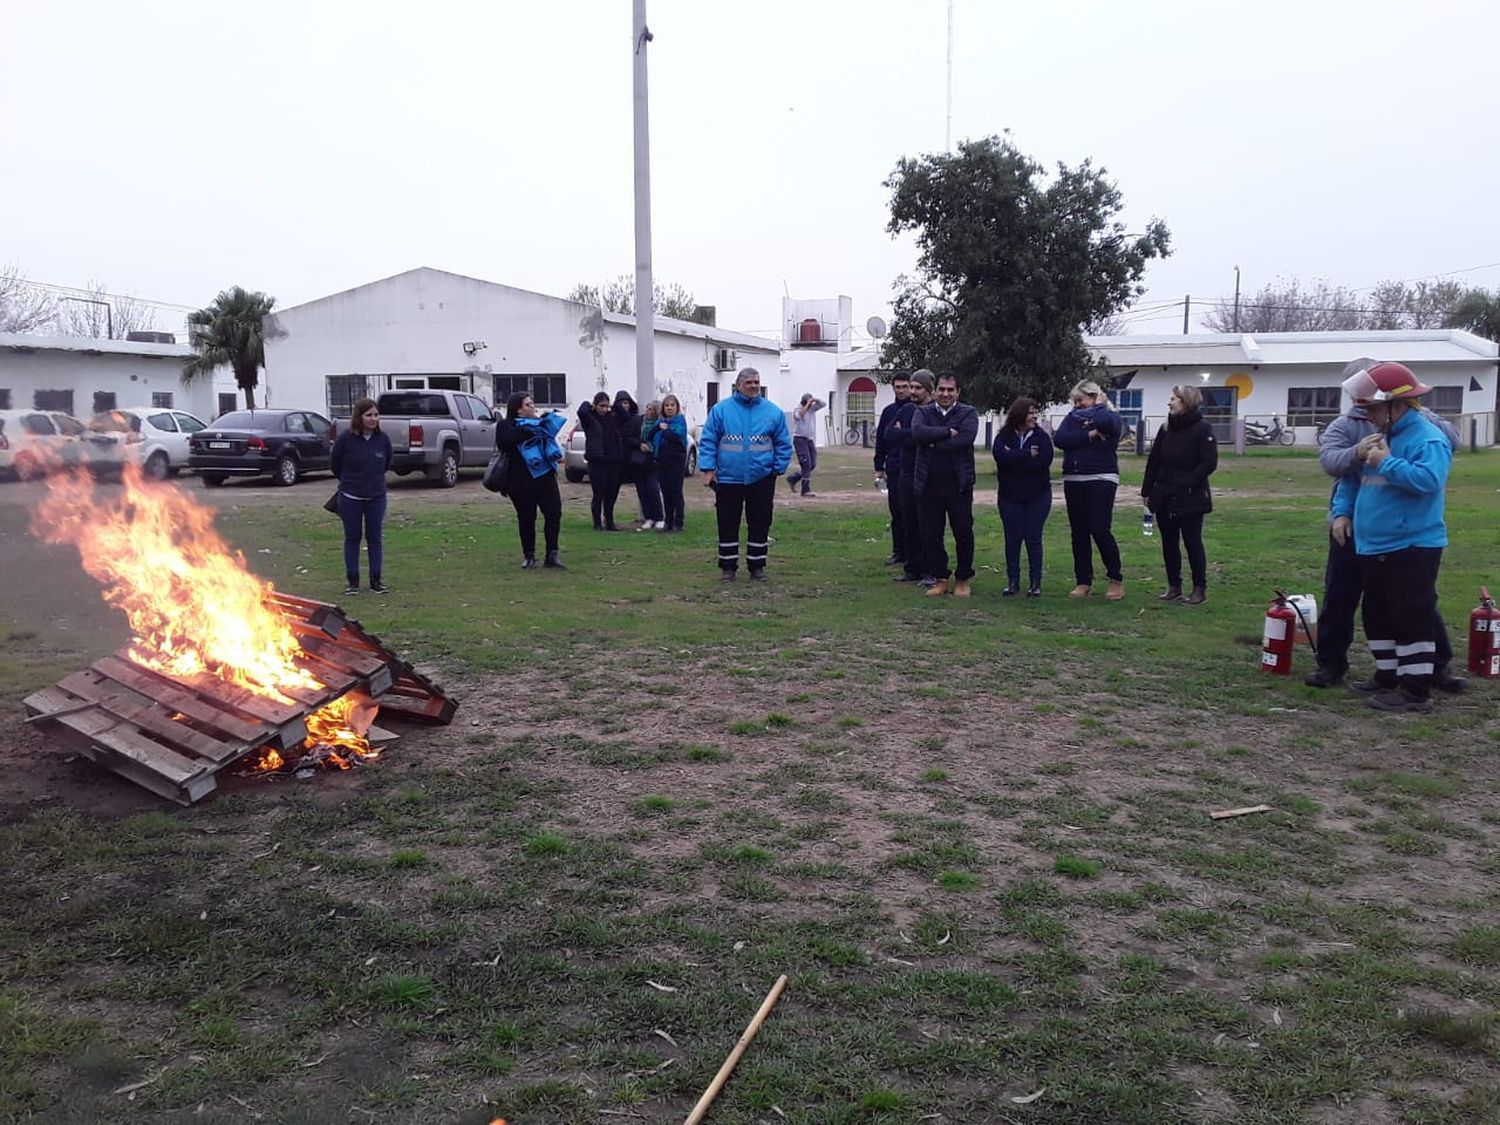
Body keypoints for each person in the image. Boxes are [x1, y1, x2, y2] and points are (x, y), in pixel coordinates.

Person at [1307, 358, 1465, 697]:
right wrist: (1342, 512)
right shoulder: (1380, 434)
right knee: (1376, 612)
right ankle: (1387, 675)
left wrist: (1386, 461)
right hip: (1375, 543)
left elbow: (1429, 479)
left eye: (1376, 409)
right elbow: (1351, 480)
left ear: (1396, 405)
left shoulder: (1426, 437)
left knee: (1411, 616)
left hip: (1410, 544)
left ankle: (1416, 688)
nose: (1369, 416)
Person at [698, 367, 792, 581]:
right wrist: (708, 469)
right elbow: (709, 441)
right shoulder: (721, 411)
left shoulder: (773, 412)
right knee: (727, 522)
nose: (753, 386)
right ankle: (728, 567)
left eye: (756, 382)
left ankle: (757, 566)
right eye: (749, 382)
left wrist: (777, 469)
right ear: (738, 385)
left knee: (760, 521)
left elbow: (784, 443)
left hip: (761, 478)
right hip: (728, 478)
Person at [1141, 384, 1218, 605]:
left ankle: (1199, 589)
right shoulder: (1166, 428)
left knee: (1192, 542)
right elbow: (1154, 461)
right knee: (1169, 542)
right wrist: (1147, 490)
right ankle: (1174, 585)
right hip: (1164, 494)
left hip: (1191, 496)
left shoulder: (1203, 429)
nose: (1169, 402)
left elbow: (1209, 462)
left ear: (1186, 401)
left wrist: (1188, 482)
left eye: (1174, 398)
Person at [1054, 379, 1125, 600]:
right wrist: (1089, 436)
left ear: (1094, 397)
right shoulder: (1071, 419)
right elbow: (1061, 439)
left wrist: (1101, 407)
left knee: (1100, 529)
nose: (1076, 405)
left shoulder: (1110, 416)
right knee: (1079, 533)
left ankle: (1115, 580)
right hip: (1075, 478)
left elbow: (1105, 425)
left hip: (1102, 477)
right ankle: (1083, 581)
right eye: (1074, 401)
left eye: (1080, 400)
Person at [911, 372, 979, 597]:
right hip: (928, 484)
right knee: (931, 534)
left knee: (963, 532)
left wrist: (933, 443)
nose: (945, 394)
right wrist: (946, 433)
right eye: (942, 389)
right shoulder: (923, 412)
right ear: (935, 390)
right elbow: (918, 433)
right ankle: (940, 578)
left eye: (950, 390)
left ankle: (962, 578)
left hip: (958, 484)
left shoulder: (968, 413)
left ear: (958, 391)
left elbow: (964, 441)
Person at [330, 397, 393, 595]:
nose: (373, 419)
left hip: (376, 496)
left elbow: (386, 463)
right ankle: (353, 582)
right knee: (352, 538)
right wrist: (351, 482)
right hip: (351, 497)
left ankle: (376, 580)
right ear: (359, 417)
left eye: (375, 415)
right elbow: (335, 465)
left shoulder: (383, 439)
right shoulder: (346, 439)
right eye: (368, 415)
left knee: (374, 538)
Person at [496, 392, 566, 570]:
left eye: (532, 404)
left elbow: (549, 437)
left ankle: (552, 554)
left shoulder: (540, 425)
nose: (532, 407)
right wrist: (530, 429)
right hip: (520, 481)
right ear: (518, 410)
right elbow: (506, 441)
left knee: (553, 513)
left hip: (545, 477)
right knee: (527, 518)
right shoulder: (506, 425)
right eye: (528, 405)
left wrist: (542, 424)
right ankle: (529, 555)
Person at [992, 396, 1053, 597]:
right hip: (1009, 497)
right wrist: (1027, 455)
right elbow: (1000, 457)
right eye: (1030, 412)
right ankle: (1013, 581)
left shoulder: (1042, 437)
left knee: (1034, 538)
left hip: (1038, 496)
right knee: (1012, 539)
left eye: (1036, 412)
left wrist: (1015, 457)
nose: (1034, 416)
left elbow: (1043, 462)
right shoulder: (1004, 436)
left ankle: (1035, 582)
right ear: (1020, 414)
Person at [889, 371, 933, 583]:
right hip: (905, 473)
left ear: (928, 390)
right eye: (912, 387)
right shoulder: (905, 409)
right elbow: (890, 435)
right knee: (909, 522)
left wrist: (907, 433)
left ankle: (929, 568)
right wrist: (916, 434)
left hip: (927, 474)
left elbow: (932, 437)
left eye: (918, 388)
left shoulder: (934, 412)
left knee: (927, 523)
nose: (913, 392)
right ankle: (912, 568)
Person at [873, 374, 913, 567]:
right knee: (896, 511)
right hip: (894, 467)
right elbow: (882, 439)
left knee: (911, 512)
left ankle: (913, 553)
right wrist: (878, 467)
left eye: (905, 386)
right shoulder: (889, 412)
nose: (902, 390)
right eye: (898, 387)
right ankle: (899, 551)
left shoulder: (916, 410)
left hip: (912, 467)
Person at [575, 392, 623, 530]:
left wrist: (614, 406)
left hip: (613, 460)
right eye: (601, 406)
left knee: (611, 493)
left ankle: (609, 521)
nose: (604, 409)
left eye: (606, 406)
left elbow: (625, 415)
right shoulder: (590, 419)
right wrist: (590, 405)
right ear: (595, 405)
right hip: (597, 461)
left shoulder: (612, 417)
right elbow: (582, 410)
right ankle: (597, 522)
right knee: (599, 494)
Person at [651, 393, 690, 533]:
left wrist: (666, 429)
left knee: (676, 492)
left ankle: (678, 522)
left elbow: (678, 437)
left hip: (676, 461)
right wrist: (658, 428)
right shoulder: (659, 422)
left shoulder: (680, 421)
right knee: (665, 492)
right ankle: (668, 522)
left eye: (672, 405)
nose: (669, 408)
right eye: (667, 405)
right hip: (662, 461)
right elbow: (650, 435)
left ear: (677, 407)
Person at [633, 399, 666, 530]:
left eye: (650, 409)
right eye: (647, 408)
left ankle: (659, 517)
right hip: (640, 460)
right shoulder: (640, 422)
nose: (647, 411)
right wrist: (639, 444)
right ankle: (649, 517)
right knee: (642, 490)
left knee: (653, 489)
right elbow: (631, 437)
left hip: (654, 460)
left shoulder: (660, 424)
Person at [786, 393, 825, 496]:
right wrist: (807, 405)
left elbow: (823, 404)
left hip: (810, 439)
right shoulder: (797, 409)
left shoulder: (812, 409)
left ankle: (793, 478)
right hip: (800, 439)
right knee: (806, 464)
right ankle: (805, 490)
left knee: (812, 464)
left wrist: (815, 399)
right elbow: (799, 415)